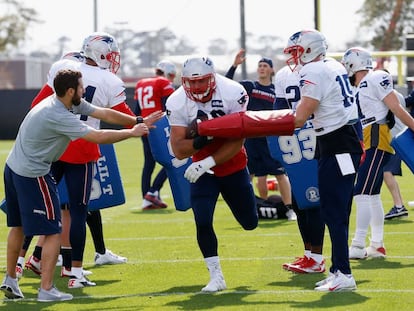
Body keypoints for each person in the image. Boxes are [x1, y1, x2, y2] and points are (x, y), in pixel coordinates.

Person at [23, 33, 162, 289]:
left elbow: (37, 104)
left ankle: (21, 262)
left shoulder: (62, 67)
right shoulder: (109, 80)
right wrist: (139, 121)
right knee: (77, 211)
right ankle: (74, 273)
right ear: (100, 54)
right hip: (82, 146)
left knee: (39, 203)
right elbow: (118, 115)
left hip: (53, 144)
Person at [1, 69, 150, 302]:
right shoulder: (58, 114)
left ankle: (10, 280)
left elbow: (102, 112)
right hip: (32, 174)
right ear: (71, 91)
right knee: (52, 232)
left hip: (13, 168)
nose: (84, 90)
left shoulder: (60, 101)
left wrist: (137, 120)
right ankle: (46, 290)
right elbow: (97, 136)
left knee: (18, 226)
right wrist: (132, 133)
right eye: (81, 87)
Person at [166, 56, 258, 292]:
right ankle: (216, 276)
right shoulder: (177, 101)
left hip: (233, 166)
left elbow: (238, 140)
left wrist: (208, 159)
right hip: (201, 172)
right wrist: (201, 139)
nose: (195, 87)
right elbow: (178, 148)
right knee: (202, 219)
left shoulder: (232, 92)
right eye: (191, 82)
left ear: (213, 78)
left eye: (202, 81)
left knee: (249, 223)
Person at [285, 29, 363, 291]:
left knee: (335, 211)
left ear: (309, 49)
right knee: (334, 210)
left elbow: (299, 117)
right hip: (336, 141)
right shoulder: (330, 65)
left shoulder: (314, 70)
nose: (294, 58)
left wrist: (257, 125)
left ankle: (345, 274)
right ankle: (338, 269)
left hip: (339, 143)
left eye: (296, 51)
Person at [342, 47, 414, 260]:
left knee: (361, 192)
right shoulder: (358, 87)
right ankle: (377, 245)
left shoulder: (376, 77)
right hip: (367, 138)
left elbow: (397, 109)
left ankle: (357, 245)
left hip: (377, 135)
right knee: (371, 194)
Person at [224, 50, 296, 221]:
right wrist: (235, 65)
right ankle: (262, 208)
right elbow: (226, 83)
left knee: (279, 173)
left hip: (270, 136)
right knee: (254, 175)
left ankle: (289, 209)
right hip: (251, 137)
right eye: (260, 66)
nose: (262, 68)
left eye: (265, 66)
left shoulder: (275, 89)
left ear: (272, 70)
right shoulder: (250, 87)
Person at [274, 63, 326, 273]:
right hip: (294, 138)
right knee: (299, 202)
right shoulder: (284, 74)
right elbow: (278, 109)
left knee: (313, 201)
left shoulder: (324, 70)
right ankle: (309, 255)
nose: (294, 57)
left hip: (319, 136)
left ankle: (317, 257)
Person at [134, 60, 176, 210]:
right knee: (174, 158)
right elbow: (170, 107)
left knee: (149, 164)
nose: (171, 78)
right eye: (171, 75)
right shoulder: (163, 83)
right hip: (159, 127)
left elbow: (137, 110)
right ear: (165, 72)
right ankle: (153, 191)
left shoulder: (141, 83)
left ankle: (147, 198)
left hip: (145, 126)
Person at [383, 90, 409, 219]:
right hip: (402, 137)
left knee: (387, 172)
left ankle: (399, 206)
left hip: (393, 139)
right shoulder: (397, 94)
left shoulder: (386, 95)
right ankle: (399, 206)